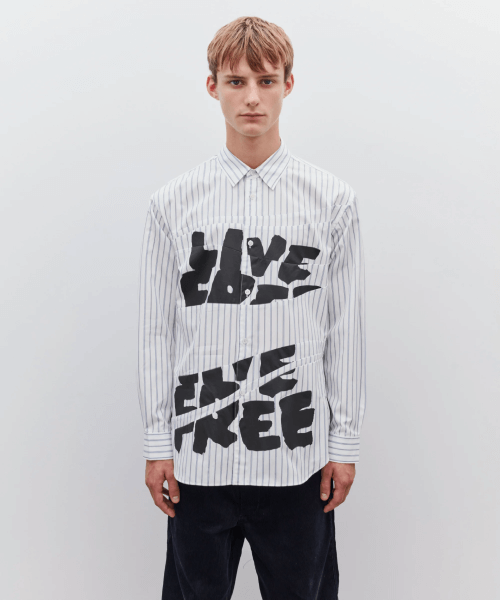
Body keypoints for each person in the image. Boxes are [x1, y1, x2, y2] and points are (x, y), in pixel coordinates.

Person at [137, 15, 366, 600]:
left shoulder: (332, 202)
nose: (252, 98)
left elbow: (345, 330)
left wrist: (344, 443)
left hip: (296, 458)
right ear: (212, 86)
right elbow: (156, 332)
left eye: (265, 80)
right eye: (236, 82)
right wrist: (157, 443)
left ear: (289, 84)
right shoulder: (172, 204)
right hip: (200, 457)